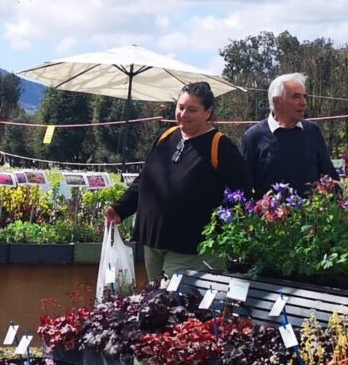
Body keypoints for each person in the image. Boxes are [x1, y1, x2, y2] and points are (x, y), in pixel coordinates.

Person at [106, 81, 252, 279]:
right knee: (155, 303)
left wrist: (218, 231)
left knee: (175, 302)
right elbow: (145, 180)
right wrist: (120, 208)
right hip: (154, 242)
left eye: (192, 110)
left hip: (191, 248)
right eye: (181, 107)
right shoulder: (166, 137)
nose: (183, 114)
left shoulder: (221, 146)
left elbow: (240, 195)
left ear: (208, 112)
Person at [240, 72, 337, 193]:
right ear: (277, 102)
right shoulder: (254, 136)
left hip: (311, 210)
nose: (303, 103)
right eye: (296, 97)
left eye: (304, 96)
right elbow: (243, 185)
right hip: (268, 211)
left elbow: (329, 175)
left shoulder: (312, 132)